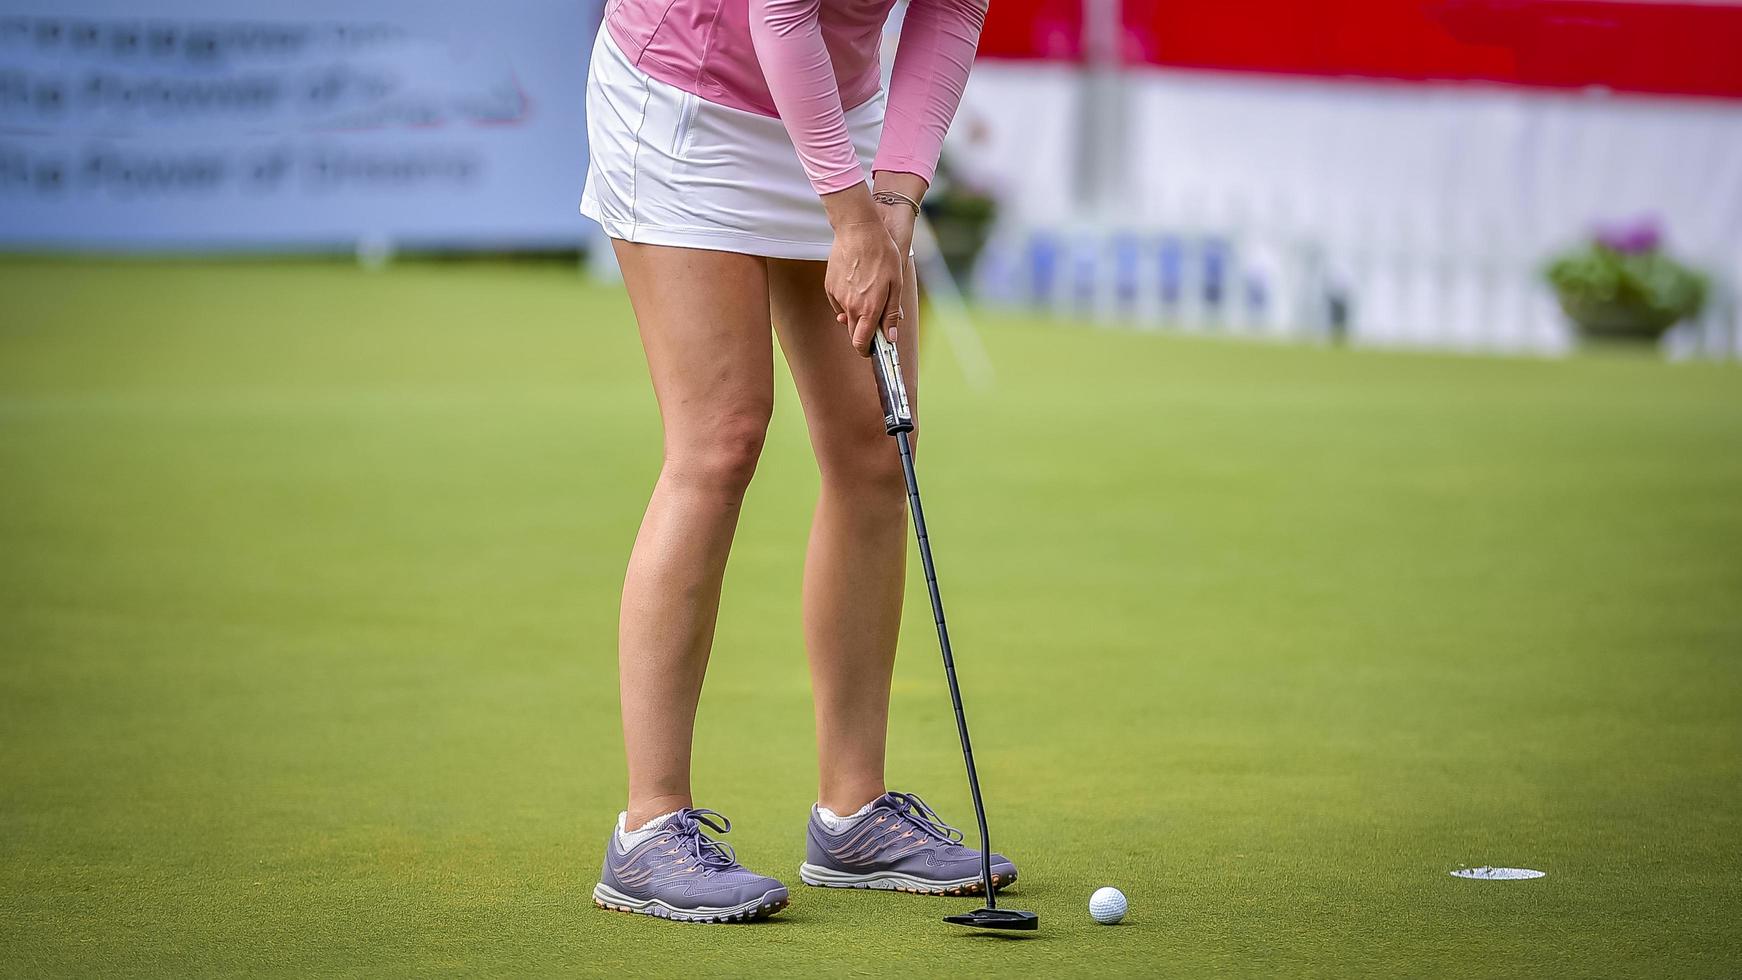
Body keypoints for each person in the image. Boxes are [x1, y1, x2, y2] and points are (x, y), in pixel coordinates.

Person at [579, 0, 1014, 924]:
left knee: (874, 448)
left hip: (833, 109)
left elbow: (953, 10)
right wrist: (848, 220)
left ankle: (854, 813)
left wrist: (891, 202)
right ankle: (648, 828)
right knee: (722, 436)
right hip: (685, 100)